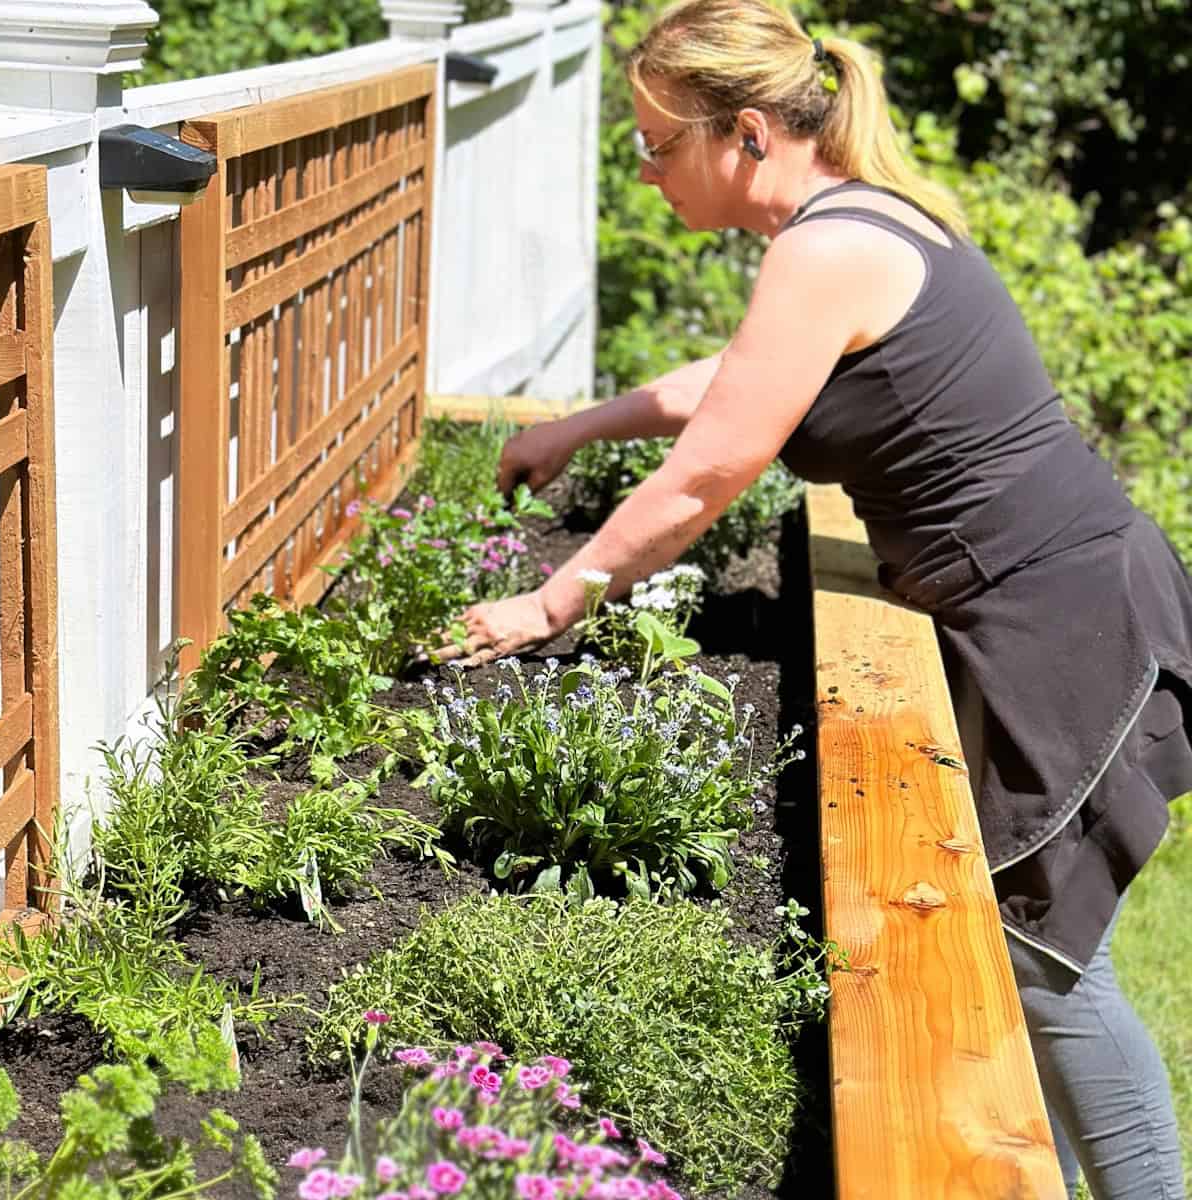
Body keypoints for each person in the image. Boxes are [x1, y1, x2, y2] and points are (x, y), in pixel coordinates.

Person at [435, 0, 1192, 1195]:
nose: (645, 173)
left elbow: (713, 471)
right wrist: (590, 421)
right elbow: (746, 384)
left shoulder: (827, 245)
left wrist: (550, 603)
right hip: (1046, 603)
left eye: (655, 144)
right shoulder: (846, 228)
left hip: (1070, 623)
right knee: (1033, 955)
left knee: (1045, 961)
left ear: (743, 134)